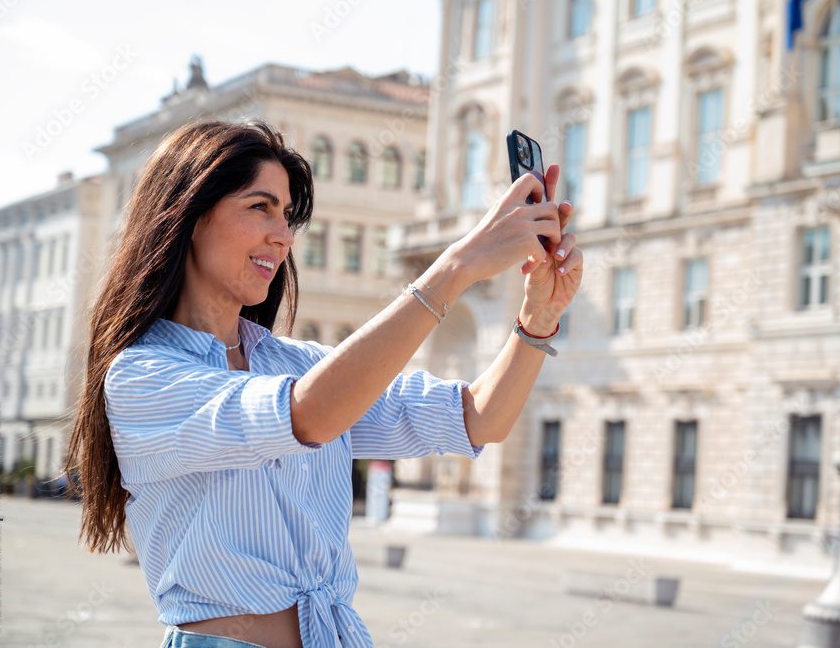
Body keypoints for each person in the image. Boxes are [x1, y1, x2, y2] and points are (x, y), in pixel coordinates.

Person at [64, 119, 582, 648]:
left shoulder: (301, 363)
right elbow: (308, 416)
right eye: (260, 207)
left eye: (287, 215)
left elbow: (477, 418)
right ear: (191, 215)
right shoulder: (141, 378)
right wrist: (457, 266)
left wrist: (537, 319)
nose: (283, 235)